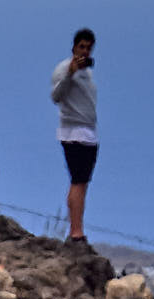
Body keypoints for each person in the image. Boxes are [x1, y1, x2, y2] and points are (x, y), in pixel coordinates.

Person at [49, 27, 96, 243]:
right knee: (77, 181)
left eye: (88, 48)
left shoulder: (87, 73)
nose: (85, 51)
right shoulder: (63, 69)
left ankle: (78, 228)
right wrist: (70, 73)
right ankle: (75, 231)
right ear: (74, 47)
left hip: (88, 131)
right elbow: (56, 96)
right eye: (81, 47)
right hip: (73, 132)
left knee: (83, 182)